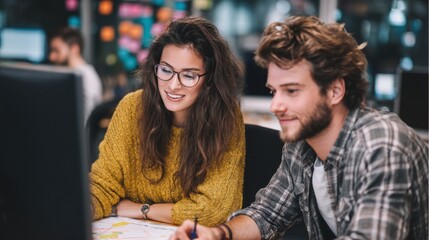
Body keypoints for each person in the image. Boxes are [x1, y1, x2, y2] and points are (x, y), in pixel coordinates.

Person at [171, 16, 428, 239]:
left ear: (335, 90)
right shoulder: (302, 144)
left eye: (291, 91)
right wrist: (217, 234)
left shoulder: (382, 146)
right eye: (273, 91)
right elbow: (266, 215)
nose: (276, 105)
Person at [89, 16, 246, 227]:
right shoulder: (132, 108)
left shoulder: (225, 119)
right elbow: (102, 185)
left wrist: (142, 209)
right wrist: (78, 209)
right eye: (166, 70)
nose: (173, 85)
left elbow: (212, 210)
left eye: (189, 76)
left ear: (210, 80)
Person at [49, 27, 103, 122]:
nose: (52, 57)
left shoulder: (85, 76)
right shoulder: (72, 75)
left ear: (74, 48)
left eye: (56, 51)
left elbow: (84, 120)